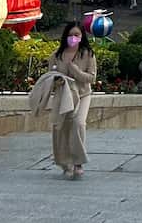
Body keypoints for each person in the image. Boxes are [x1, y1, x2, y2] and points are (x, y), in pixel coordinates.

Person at [49, 21, 96, 179]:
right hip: (64, 96)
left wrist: (74, 70)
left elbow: (91, 78)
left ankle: (78, 162)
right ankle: (64, 162)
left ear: (82, 37)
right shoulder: (57, 56)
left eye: (76, 35)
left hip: (82, 95)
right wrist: (57, 81)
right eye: (70, 35)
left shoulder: (88, 54)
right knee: (61, 128)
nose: (73, 38)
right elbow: (50, 78)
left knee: (78, 124)